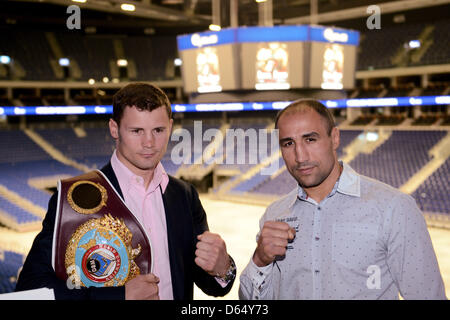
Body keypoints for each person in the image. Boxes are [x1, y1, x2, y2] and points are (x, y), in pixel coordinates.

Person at [16, 82, 236, 300]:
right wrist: (118, 297)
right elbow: (29, 291)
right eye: (136, 131)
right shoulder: (75, 198)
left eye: (158, 130)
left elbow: (211, 284)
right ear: (114, 129)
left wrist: (222, 268)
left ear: (170, 126)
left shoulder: (184, 195)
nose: (149, 142)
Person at [239, 98, 446, 300]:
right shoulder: (274, 214)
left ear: (335, 138)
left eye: (310, 139)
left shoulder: (394, 208)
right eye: (288, 143)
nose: (300, 156)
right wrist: (260, 260)